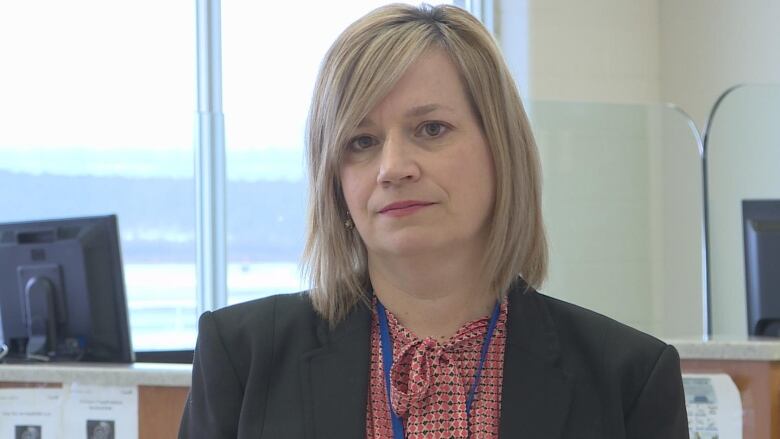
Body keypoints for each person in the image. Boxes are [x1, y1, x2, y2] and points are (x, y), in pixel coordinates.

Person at [179, 4, 688, 438]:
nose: (393, 167)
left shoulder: (628, 376)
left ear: (501, 150)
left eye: (431, 129)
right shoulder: (242, 356)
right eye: (362, 141)